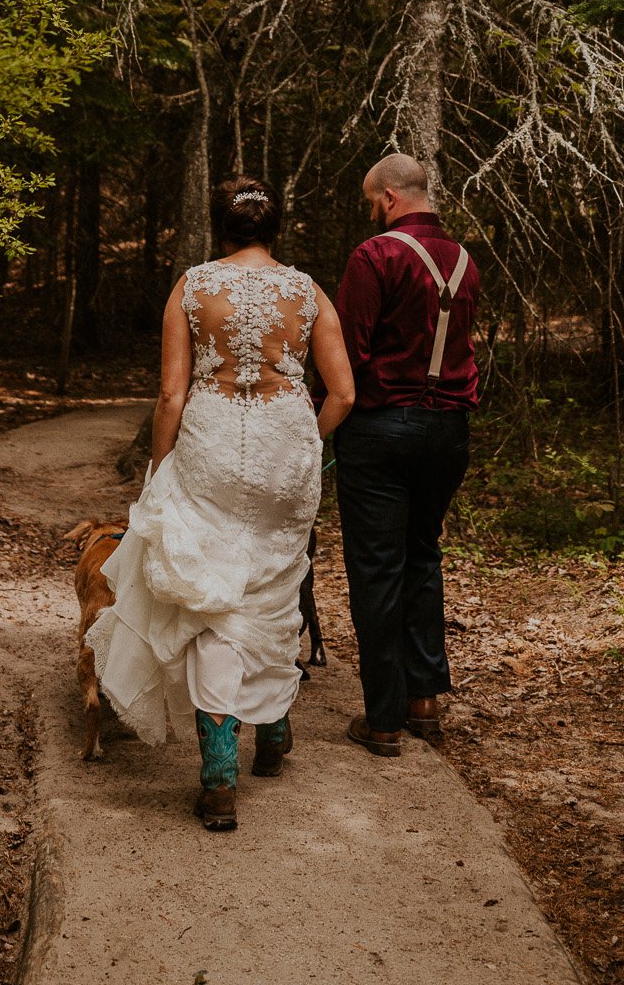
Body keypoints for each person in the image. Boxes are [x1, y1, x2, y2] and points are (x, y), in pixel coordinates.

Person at [88, 174, 356, 832]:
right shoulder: (307, 291)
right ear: (276, 227)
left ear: (220, 227)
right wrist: (302, 444)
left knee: (214, 600)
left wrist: (158, 470)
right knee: (272, 584)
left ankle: (216, 773)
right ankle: (272, 730)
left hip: (209, 445)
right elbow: (344, 394)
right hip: (283, 446)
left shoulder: (193, 286)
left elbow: (172, 395)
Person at [332, 152, 480, 757]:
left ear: (390, 197)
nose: (372, 212)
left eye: (372, 202)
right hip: (448, 431)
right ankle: (425, 700)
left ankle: (383, 717)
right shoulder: (466, 261)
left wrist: (319, 417)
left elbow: (350, 351)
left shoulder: (376, 255)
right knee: (422, 554)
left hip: (381, 430)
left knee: (376, 567)